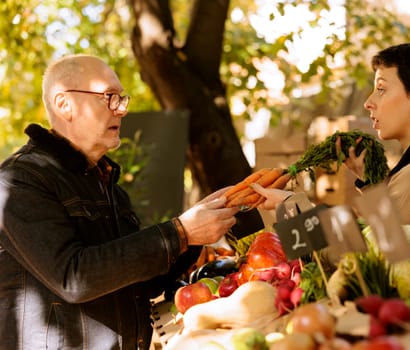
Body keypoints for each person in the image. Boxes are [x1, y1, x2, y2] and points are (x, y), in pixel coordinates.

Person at [0, 54, 241, 350]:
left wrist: (194, 232)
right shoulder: (18, 180)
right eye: (109, 97)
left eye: (121, 99)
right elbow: (74, 278)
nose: (122, 110)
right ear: (65, 104)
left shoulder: (107, 184)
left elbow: (139, 283)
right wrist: (180, 231)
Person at [254, 40, 410, 311]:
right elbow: (398, 231)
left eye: (381, 90)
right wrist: (374, 182)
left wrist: (289, 206)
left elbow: (353, 259)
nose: (368, 103)